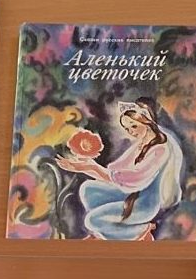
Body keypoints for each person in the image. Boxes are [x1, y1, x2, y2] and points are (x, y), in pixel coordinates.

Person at [56, 99, 185, 241]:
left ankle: (140, 232)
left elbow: (133, 179)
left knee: (91, 221)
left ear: (147, 122)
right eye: (128, 129)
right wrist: (85, 167)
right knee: (88, 190)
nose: (132, 132)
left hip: (143, 204)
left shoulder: (161, 149)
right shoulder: (143, 143)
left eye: (134, 126)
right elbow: (116, 170)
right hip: (129, 194)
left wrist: (92, 167)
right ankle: (106, 232)